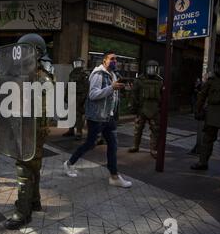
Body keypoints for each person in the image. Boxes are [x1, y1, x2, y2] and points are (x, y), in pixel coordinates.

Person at [5, 34, 55, 230]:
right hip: (35, 128)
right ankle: (34, 201)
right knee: (33, 165)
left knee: (23, 167)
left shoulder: (37, 76)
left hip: (30, 128)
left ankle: (23, 213)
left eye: (23, 52)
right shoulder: (40, 74)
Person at [63, 51, 132, 188]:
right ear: (104, 61)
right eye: (112, 59)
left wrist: (122, 89)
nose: (115, 61)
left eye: (116, 59)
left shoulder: (113, 74)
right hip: (97, 117)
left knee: (113, 145)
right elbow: (93, 95)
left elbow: (111, 95)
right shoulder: (98, 74)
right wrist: (112, 87)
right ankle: (69, 163)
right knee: (90, 143)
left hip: (109, 116)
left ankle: (114, 176)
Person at [128, 60, 163, 159]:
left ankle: (153, 149)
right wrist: (133, 106)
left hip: (155, 109)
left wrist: (161, 108)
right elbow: (134, 94)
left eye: (154, 68)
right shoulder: (139, 80)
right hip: (141, 108)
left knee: (155, 130)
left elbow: (163, 96)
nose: (152, 70)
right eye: (150, 68)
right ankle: (135, 145)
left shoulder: (160, 81)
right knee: (138, 128)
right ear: (146, 68)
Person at [62, 58, 89, 140]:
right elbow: (68, 85)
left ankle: (79, 132)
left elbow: (86, 88)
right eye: (76, 63)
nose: (77, 64)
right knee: (70, 114)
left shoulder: (84, 74)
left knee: (78, 115)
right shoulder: (72, 73)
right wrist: (66, 97)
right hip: (71, 96)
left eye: (79, 63)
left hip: (79, 97)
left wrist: (83, 99)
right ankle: (71, 130)